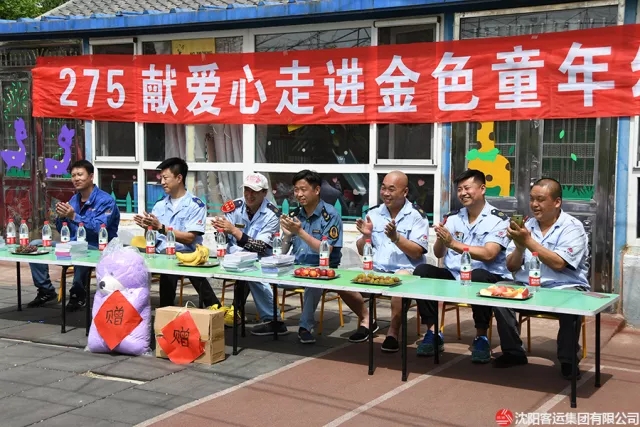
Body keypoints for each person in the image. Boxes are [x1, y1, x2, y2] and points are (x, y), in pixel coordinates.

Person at [494, 178, 589, 379]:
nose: (534, 204)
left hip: (563, 287)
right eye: (532, 199)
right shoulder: (526, 225)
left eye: (540, 199)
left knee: (572, 303)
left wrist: (527, 241)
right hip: (527, 287)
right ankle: (513, 352)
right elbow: (511, 266)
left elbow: (558, 263)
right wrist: (520, 247)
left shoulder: (572, 227)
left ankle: (568, 360)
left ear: (557, 202)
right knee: (499, 290)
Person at [413, 169, 510, 363]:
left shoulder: (498, 219)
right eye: (459, 189)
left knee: (478, 275)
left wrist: (453, 243)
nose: (463, 193)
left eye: (467, 188)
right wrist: (441, 237)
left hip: (486, 277)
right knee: (422, 272)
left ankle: (481, 337)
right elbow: (439, 253)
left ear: (482, 189)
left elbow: (489, 254)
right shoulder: (453, 218)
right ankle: (433, 332)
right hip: (455, 275)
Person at [280, 170, 372, 344]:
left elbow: (326, 250)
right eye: (296, 190)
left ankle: (305, 327)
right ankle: (272, 320)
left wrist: (300, 232)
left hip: (323, 268)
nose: (299, 194)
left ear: (316, 190)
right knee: (260, 276)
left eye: (303, 189)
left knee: (314, 281)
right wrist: (286, 235)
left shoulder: (330, 215)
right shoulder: (295, 214)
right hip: (295, 268)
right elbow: (283, 252)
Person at [27, 160, 120, 311]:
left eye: (80, 175)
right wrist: (61, 217)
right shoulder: (74, 199)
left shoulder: (106, 201)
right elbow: (64, 230)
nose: (76, 178)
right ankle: (45, 290)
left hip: (98, 247)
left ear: (91, 176)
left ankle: (78, 293)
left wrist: (73, 216)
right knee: (35, 244)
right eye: (73, 175)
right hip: (72, 244)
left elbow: (99, 228)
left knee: (81, 251)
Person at [356, 171, 430, 353]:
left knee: (400, 282)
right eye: (383, 188)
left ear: (405, 192)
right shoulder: (373, 213)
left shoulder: (417, 216)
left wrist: (396, 238)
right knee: (344, 283)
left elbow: (417, 252)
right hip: (377, 270)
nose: (385, 193)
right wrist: (366, 236)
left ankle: (393, 332)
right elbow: (362, 250)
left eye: (391, 189)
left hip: (405, 270)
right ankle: (367, 320)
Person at [133, 157, 219, 308]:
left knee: (172, 269)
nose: (162, 182)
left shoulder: (195, 205)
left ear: (179, 178)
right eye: (161, 178)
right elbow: (151, 239)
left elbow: (190, 238)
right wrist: (147, 228)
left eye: (165, 178)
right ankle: (155, 310)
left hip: (186, 254)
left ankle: (215, 309)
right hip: (161, 255)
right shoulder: (160, 205)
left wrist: (160, 227)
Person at [213, 173, 288, 336]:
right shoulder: (234, 207)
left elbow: (259, 246)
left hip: (261, 258)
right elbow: (222, 238)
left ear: (264, 193)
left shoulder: (272, 214)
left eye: (254, 191)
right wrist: (220, 230)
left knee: (254, 273)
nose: (249, 195)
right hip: (233, 257)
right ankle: (217, 309)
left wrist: (233, 230)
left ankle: (274, 320)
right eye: (247, 190)